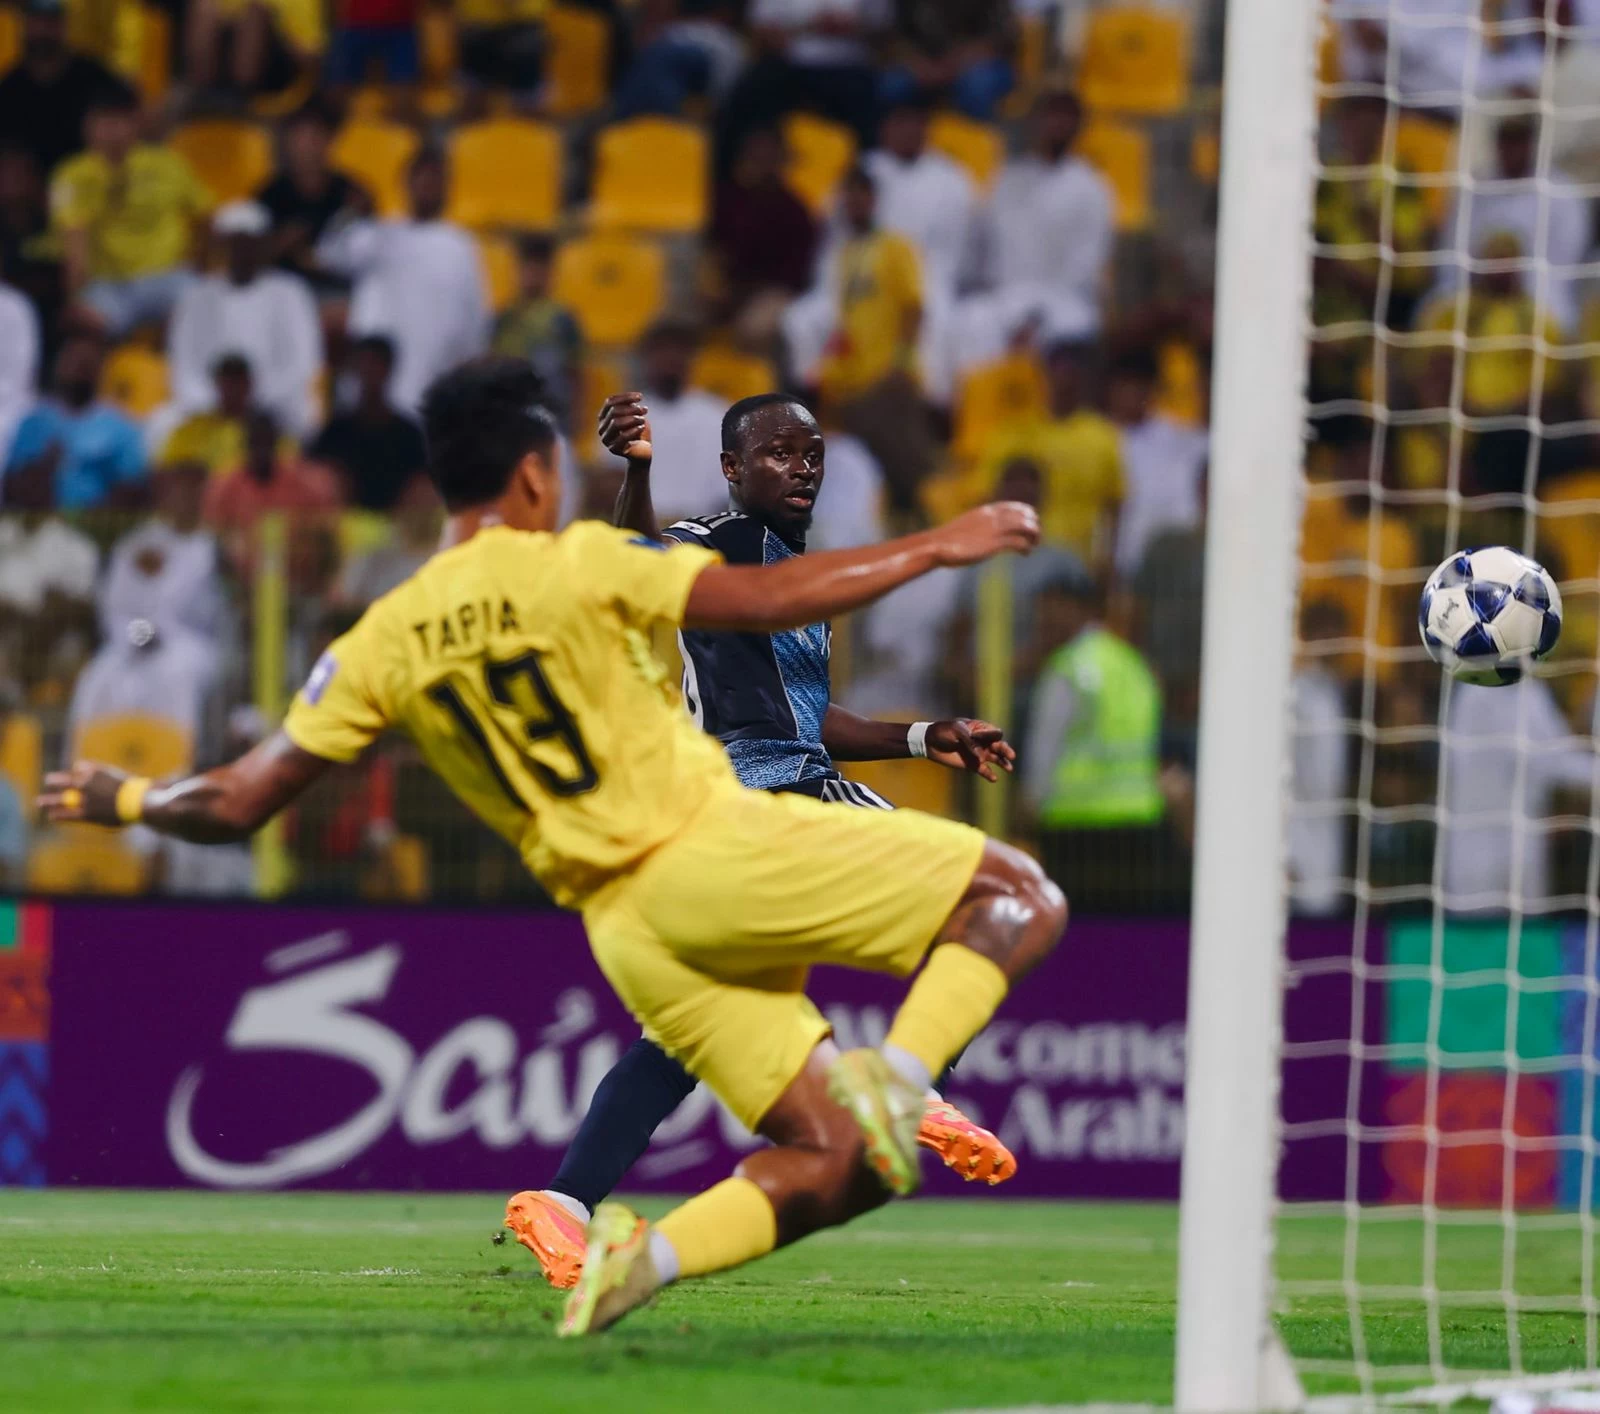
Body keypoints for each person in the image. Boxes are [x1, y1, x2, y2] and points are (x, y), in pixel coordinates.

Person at [42, 355, 1060, 1339]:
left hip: (626, 924)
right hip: (710, 840)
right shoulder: (575, 565)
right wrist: (941, 544)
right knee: (1015, 897)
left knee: (840, 1155)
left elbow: (236, 801)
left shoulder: (382, 637)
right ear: (535, 476)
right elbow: (760, 598)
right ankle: (903, 1079)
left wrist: (123, 794)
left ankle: (631, 1257)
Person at [501, 388, 1021, 1292]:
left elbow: (807, 716)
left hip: (715, 825)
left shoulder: (786, 568)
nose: (802, 468)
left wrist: (919, 736)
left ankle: (564, 1205)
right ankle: (908, 1086)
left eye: (811, 454)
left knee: (677, 1040)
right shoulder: (725, 538)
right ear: (733, 469)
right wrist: (637, 473)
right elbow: (636, 555)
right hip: (779, 794)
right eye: (779, 454)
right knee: (995, 900)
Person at [318, 149, 489, 412]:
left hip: (436, 377)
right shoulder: (380, 233)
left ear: (446, 187)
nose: (428, 187)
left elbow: (475, 320)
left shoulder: (461, 245)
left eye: (435, 180)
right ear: (406, 183)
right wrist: (353, 215)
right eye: (422, 178)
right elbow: (329, 254)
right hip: (378, 378)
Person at [810, 165, 931, 509]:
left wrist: (901, 363)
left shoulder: (896, 247)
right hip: (857, 383)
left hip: (889, 375)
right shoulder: (845, 254)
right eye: (849, 197)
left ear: (874, 200)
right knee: (874, 473)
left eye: (862, 196)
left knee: (907, 465)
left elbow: (913, 306)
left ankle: (926, 520)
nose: (855, 204)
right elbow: (847, 321)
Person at [50, 88, 211, 337]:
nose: (112, 132)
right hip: (109, 285)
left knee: (203, 307)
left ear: (136, 124)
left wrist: (197, 265)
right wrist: (75, 299)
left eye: (119, 121)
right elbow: (75, 249)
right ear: (88, 127)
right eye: (103, 122)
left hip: (168, 277)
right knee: (83, 327)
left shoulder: (167, 164)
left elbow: (206, 219)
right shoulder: (71, 176)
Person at [168, 201, 324, 441]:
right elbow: (184, 365)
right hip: (210, 410)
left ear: (264, 245)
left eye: (249, 243)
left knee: (305, 417)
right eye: (235, 243)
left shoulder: (290, 292)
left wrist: (253, 402)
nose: (241, 251)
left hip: (275, 409)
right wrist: (221, 404)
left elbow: (302, 362)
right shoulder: (196, 297)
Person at [974, 340, 1123, 567]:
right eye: (1057, 373)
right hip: (1022, 560)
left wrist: (1107, 562)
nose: (1063, 382)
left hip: (1081, 563)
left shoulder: (1102, 436)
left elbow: (1113, 508)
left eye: (1071, 374)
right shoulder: (1013, 433)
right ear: (1044, 377)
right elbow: (987, 499)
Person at [982, 90, 1114, 345]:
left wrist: (1035, 318)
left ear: (1079, 126)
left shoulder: (1093, 188)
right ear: (1035, 121)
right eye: (1051, 115)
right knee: (975, 322)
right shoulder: (1006, 181)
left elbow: (1084, 267)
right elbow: (991, 255)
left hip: (1065, 305)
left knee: (1066, 330)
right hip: (1004, 300)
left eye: (1066, 116)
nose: (1058, 124)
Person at [4, 334, 145, 509]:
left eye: (87, 364)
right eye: (74, 362)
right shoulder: (35, 422)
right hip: (40, 518)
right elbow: (12, 485)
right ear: (59, 366)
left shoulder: (121, 427)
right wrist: (46, 465)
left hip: (97, 520)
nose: (80, 371)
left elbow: (132, 487)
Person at [1104, 346, 1208, 579]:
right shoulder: (1099, 437)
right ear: (1112, 389)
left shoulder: (1175, 437)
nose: (1132, 394)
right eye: (1125, 386)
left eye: (1139, 386)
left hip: (1165, 559)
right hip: (1118, 561)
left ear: (1152, 389)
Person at [0, 0, 132, 183]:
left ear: (64, 26)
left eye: (50, 23)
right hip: (27, 191)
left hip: (90, 184)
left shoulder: (93, 75)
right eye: (36, 22)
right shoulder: (10, 88)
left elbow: (127, 115)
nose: (42, 31)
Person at [608, 320, 726, 523]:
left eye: (678, 351)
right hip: (639, 526)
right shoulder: (625, 413)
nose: (669, 359)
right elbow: (611, 478)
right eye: (660, 351)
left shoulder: (718, 415)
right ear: (646, 358)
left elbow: (728, 488)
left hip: (702, 527)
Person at [255, 102, 373, 301]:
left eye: (314, 137)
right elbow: (253, 256)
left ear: (328, 141)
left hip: (338, 290)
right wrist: (281, 242)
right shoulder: (270, 194)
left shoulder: (352, 194)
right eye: (299, 138)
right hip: (283, 291)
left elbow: (368, 252)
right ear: (287, 144)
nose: (306, 147)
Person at [307, 335, 427, 512]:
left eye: (375, 365)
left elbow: (424, 481)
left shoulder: (408, 433)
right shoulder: (336, 430)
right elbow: (310, 472)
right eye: (364, 365)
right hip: (346, 523)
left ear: (389, 369)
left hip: (399, 523)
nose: (369, 373)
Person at [491, 235, 582, 430]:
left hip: (551, 412)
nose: (534, 274)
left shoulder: (562, 318)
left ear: (551, 272)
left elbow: (575, 371)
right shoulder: (505, 318)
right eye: (528, 267)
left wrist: (575, 414)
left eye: (540, 268)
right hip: (511, 410)